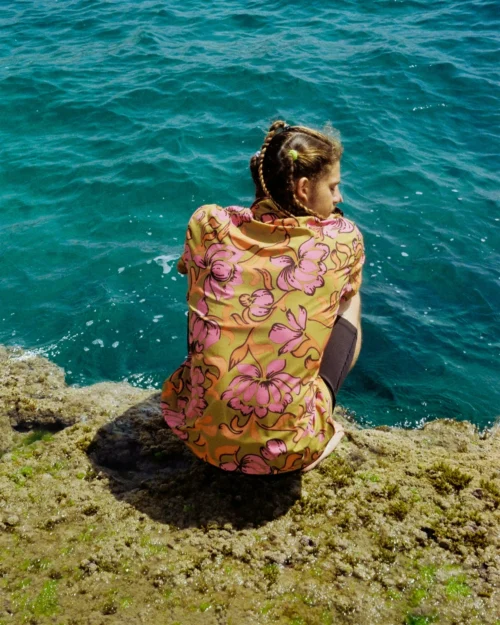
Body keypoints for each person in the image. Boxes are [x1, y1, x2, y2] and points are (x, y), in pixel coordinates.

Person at [161, 120, 365, 474]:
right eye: (333, 187)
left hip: (199, 435)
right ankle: (314, 417)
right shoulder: (342, 239)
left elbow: (185, 268)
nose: (339, 198)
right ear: (303, 189)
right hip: (288, 454)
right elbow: (342, 292)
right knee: (351, 300)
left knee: (211, 284)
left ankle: (217, 399)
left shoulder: (207, 223)